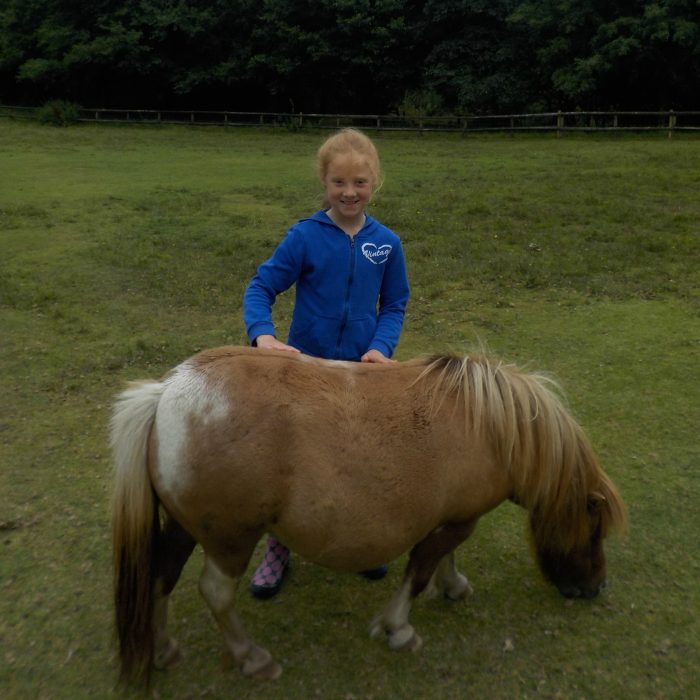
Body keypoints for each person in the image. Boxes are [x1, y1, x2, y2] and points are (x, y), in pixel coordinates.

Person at [243, 128, 410, 598]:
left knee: (357, 456)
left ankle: (359, 543)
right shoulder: (304, 237)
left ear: (374, 182)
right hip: (306, 372)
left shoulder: (387, 243)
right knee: (293, 463)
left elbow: (395, 303)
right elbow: (260, 288)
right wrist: (264, 337)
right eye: (339, 182)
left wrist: (382, 347)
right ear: (325, 182)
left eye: (359, 182)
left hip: (362, 375)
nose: (349, 192)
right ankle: (279, 549)